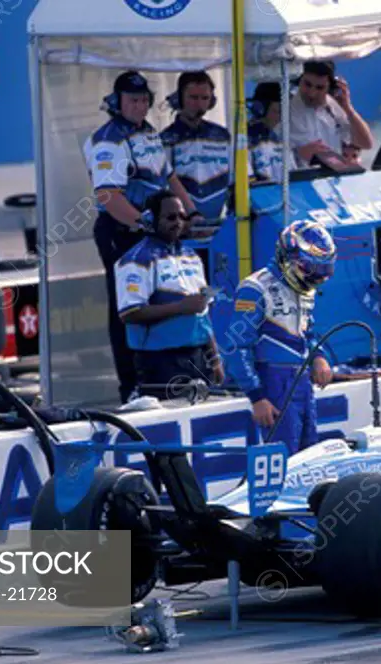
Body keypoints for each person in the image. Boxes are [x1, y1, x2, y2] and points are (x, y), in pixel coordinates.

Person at [83, 70, 195, 403]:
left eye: (144, 100)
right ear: (117, 102)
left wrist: (190, 212)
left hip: (155, 232)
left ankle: (168, 377)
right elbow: (108, 196)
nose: (140, 106)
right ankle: (131, 386)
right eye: (133, 100)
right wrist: (145, 225)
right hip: (123, 232)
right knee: (129, 309)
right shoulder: (108, 139)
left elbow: (168, 176)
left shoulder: (148, 133)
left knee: (165, 298)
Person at [223, 221, 337, 456]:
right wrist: (257, 397)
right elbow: (236, 347)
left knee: (310, 458)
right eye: (310, 267)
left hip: (302, 383)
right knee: (285, 460)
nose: (316, 276)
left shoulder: (304, 291)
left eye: (323, 270)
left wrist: (319, 357)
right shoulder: (255, 288)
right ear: (288, 257)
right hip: (273, 384)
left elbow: (308, 333)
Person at [116, 190, 222, 396]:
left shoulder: (191, 255)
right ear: (151, 219)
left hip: (198, 356)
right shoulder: (136, 260)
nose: (179, 222)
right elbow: (129, 313)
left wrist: (214, 358)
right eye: (171, 217)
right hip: (161, 361)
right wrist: (181, 307)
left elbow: (202, 313)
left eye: (182, 216)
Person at [161, 71, 232, 222]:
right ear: (179, 99)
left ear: (212, 101)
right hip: (180, 225)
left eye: (204, 98)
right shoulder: (165, 139)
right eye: (193, 97)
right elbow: (164, 185)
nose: (199, 104)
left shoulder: (223, 136)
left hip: (219, 224)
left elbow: (237, 179)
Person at [288, 61, 374, 168]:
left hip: (331, 176)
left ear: (330, 88)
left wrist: (348, 108)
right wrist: (298, 154)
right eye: (307, 84)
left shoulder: (333, 106)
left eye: (320, 88)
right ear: (299, 81)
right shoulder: (285, 109)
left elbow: (366, 143)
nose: (312, 93)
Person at [247, 82, 294, 183]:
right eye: (278, 111)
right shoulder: (245, 141)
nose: (281, 117)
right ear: (260, 109)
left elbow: (294, 175)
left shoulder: (281, 140)